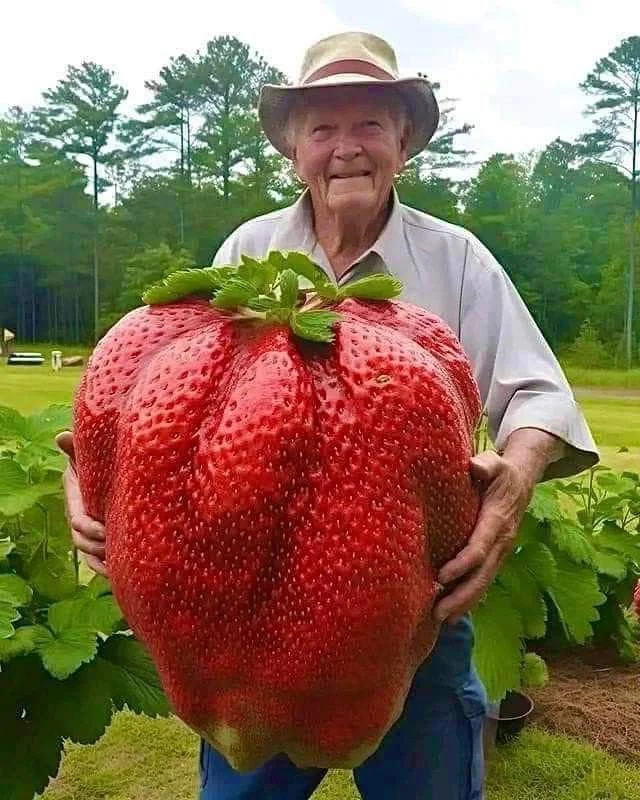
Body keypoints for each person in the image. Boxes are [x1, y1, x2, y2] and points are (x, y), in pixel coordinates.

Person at [57, 30, 599, 800]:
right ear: (293, 151)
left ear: (403, 144)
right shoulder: (248, 254)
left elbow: (538, 392)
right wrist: (94, 479)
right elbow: (163, 387)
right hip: (247, 615)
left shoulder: (458, 259)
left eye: (370, 124)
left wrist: (517, 476)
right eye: (323, 128)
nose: (347, 147)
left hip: (414, 607)